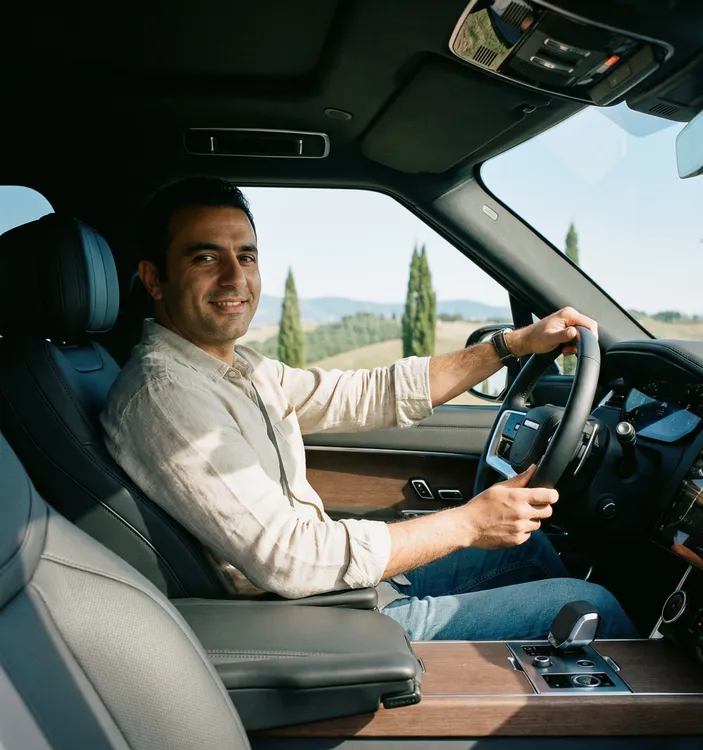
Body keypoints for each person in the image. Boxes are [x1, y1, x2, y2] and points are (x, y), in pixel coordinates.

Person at [101, 177, 637, 641]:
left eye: (246, 256)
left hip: (332, 595)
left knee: (527, 549)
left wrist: (512, 344)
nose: (234, 278)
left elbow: (368, 393)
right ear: (153, 279)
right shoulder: (165, 395)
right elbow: (289, 558)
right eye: (205, 257)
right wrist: (469, 523)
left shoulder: (235, 368)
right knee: (592, 607)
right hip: (310, 625)